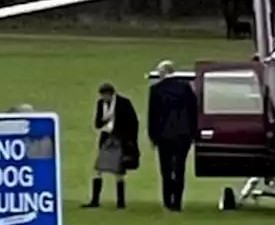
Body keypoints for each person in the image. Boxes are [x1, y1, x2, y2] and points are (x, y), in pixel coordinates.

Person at [148, 60, 198, 211]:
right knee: (180, 168)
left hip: (164, 135)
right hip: (183, 134)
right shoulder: (185, 88)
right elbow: (193, 111)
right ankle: (177, 202)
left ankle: (167, 201)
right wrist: (192, 132)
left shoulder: (156, 89)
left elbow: (153, 115)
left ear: (163, 73)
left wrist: (153, 136)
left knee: (166, 169)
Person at [83, 82, 139, 209]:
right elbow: (97, 124)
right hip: (106, 139)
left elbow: (133, 122)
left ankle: (121, 202)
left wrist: (129, 141)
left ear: (110, 94)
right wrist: (105, 118)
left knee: (119, 171)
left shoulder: (124, 103)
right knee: (98, 170)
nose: (104, 99)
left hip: (119, 139)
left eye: (105, 96)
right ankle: (95, 200)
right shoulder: (100, 104)